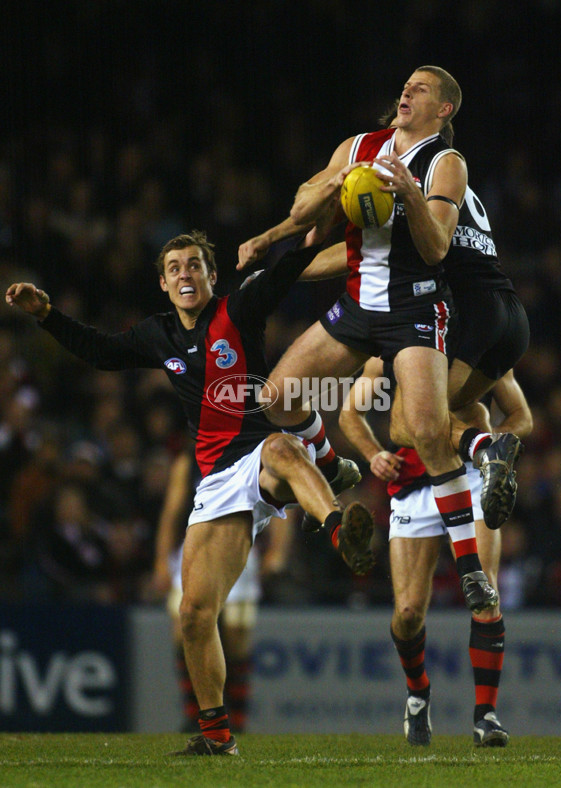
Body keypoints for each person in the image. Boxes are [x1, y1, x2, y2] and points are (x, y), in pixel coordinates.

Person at [5, 229, 376, 757]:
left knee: (281, 449)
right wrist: (46, 315)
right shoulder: (158, 335)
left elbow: (283, 275)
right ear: (163, 282)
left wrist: (301, 238)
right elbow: (102, 352)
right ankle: (217, 736)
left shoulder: (239, 309)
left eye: (195, 265)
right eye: (175, 267)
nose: (185, 274)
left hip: (260, 450)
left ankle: (342, 534)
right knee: (195, 615)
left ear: (211, 276)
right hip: (217, 481)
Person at [238, 66, 512, 609]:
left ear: (444, 110)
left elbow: (435, 249)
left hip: (415, 307)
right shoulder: (360, 146)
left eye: (423, 89)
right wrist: (279, 229)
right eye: (407, 84)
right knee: (276, 398)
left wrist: (408, 193)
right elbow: (302, 212)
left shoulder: (445, 164)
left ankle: (473, 573)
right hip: (360, 306)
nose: (407, 91)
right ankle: (331, 465)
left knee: (429, 436)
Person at [338, 357, 533, 746]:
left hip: (471, 476)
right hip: (414, 482)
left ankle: (486, 715)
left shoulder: (478, 348)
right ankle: (417, 692)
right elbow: (349, 414)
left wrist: (493, 447)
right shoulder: (390, 353)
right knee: (407, 613)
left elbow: (521, 416)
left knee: (484, 590)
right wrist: (374, 453)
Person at [153, 447, 293, 734]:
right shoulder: (188, 458)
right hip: (194, 549)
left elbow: (285, 500)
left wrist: (277, 551)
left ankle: (237, 721)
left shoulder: (255, 449)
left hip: (240, 548)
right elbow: (172, 510)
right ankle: (195, 716)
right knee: (185, 630)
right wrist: (161, 560)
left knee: (235, 636)